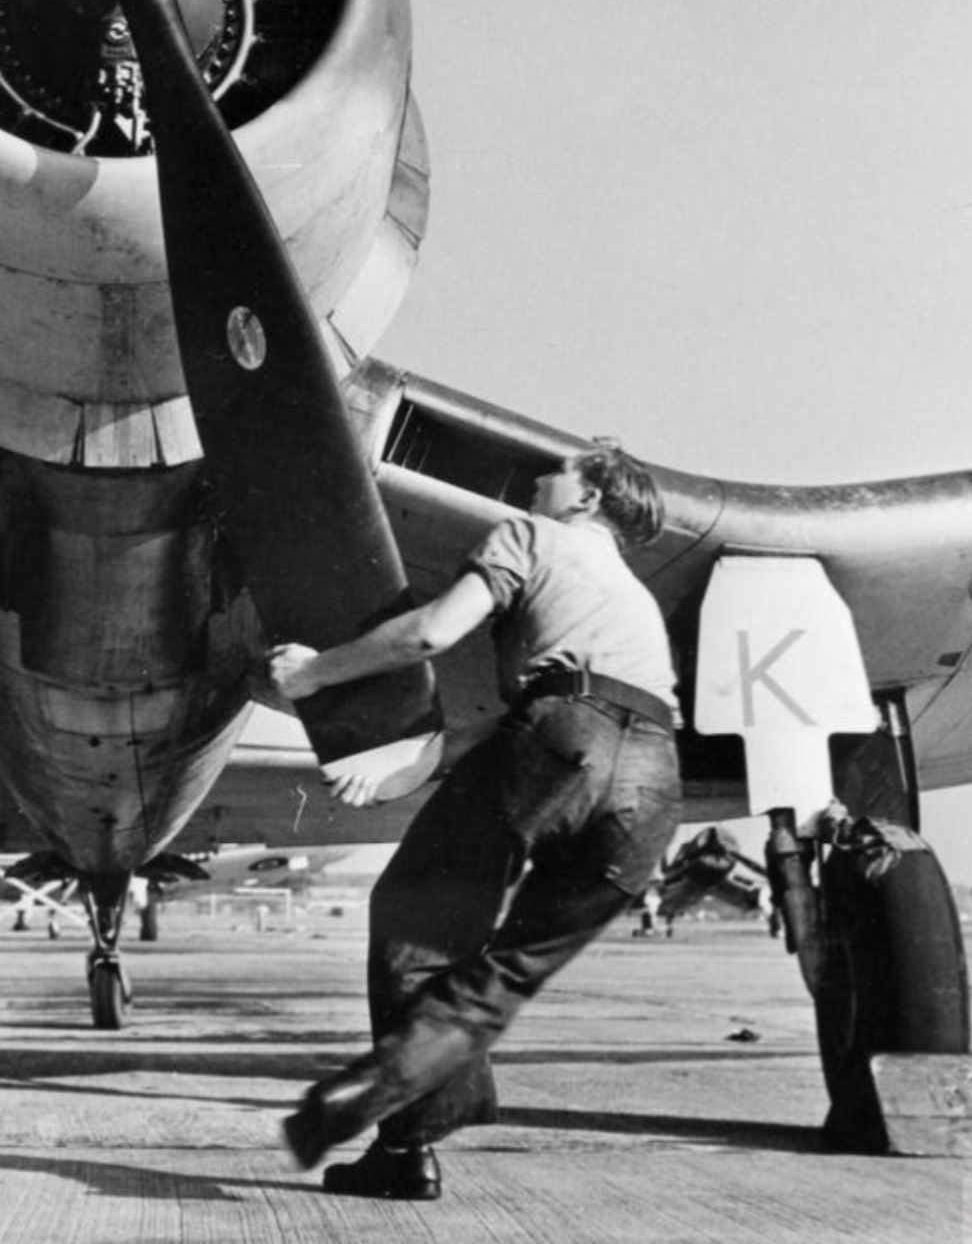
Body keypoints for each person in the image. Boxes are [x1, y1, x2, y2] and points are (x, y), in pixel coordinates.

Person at [269, 444, 681, 1202]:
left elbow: (432, 634)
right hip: (656, 780)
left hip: (564, 739)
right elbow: (595, 716)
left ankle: (404, 1140)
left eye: (557, 473)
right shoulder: (632, 596)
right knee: (502, 973)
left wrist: (315, 673)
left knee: (418, 920)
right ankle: (384, 1103)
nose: (536, 481)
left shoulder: (530, 534)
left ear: (588, 498)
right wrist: (431, 756)